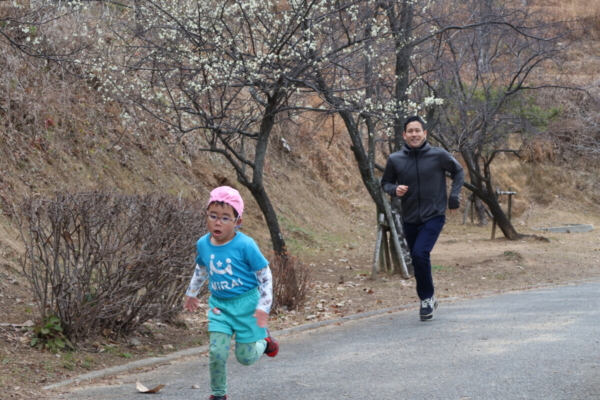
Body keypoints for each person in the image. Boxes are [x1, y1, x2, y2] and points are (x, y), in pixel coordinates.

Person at [184, 186, 279, 400]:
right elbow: (201, 268)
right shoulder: (203, 244)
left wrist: (263, 307)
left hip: (247, 306)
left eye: (225, 218)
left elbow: (265, 275)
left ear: (237, 221)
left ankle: (265, 341)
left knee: (245, 358)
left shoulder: (246, 245)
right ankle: (219, 395)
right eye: (213, 216)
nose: (218, 222)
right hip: (220, 306)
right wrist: (192, 293)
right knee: (217, 352)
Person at [381, 116, 464, 321]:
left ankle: (426, 298)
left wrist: (454, 196)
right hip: (409, 217)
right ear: (404, 135)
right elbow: (386, 183)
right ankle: (429, 297)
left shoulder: (438, 155)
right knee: (417, 259)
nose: (414, 134)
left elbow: (458, 171)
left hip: (434, 214)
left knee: (420, 253)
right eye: (410, 131)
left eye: (417, 130)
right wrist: (394, 189)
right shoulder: (395, 159)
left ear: (425, 133)